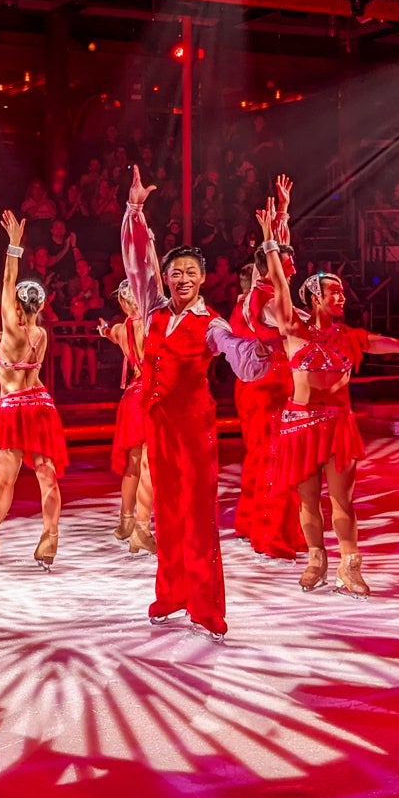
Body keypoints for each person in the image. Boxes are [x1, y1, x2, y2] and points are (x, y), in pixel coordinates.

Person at [255, 192, 399, 598]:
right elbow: (279, 284)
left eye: (342, 292)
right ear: (315, 297)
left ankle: (350, 566)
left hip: (338, 426)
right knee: (308, 500)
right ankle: (315, 558)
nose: (342, 298)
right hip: (300, 426)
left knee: (343, 500)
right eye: (335, 292)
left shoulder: (352, 337)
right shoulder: (292, 327)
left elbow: (398, 344)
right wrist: (271, 237)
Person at [121, 167, 269, 640]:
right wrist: (135, 211)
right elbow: (137, 263)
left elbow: (232, 349)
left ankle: (206, 607)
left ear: (203, 279)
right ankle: (172, 594)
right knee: (166, 514)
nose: (181, 278)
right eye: (175, 272)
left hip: (194, 429)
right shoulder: (154, 311)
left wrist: (254, 350)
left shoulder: (211, 323)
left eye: (190, 273)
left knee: (198, 516)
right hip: (159, 425)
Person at [0, 211, 69, 569]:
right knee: (45, 472)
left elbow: (7, 280)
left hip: (14, 408)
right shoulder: (40, 334)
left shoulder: (13, 325)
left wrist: (14, 246)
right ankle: (49, 538)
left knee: (6, 479)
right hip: (41, 404)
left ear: (17, 306)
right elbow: (9, 342)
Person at [231, 177, 305, 560]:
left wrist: (282, 215)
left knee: (262, 456)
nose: (291, 265)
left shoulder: (255, 293)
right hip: (270, 386)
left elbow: (275, 255)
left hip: (259, 385)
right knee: (275, 459)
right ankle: (269, 532)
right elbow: (298, 326)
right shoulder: (270, 301)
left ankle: (251, 522)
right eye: (285, 259)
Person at [97, 281, 155, 555]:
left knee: (132, 465)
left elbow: (109, 332)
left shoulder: (121, 330)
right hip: (150, 396)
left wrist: (104, 329)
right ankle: (143, 525)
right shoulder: (151, 325)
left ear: (122, 304)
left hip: (131, 398)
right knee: (147, 464)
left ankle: (125, 521)